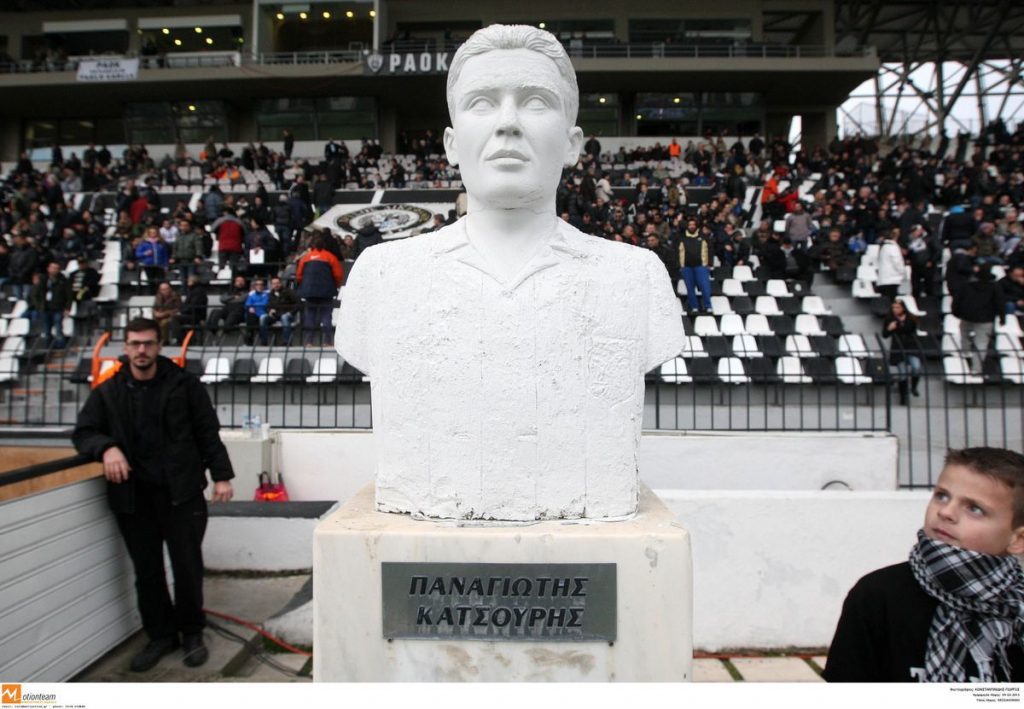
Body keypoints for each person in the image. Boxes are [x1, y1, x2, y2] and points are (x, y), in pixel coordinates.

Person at [336, 24, 683, 521]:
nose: (508, 123)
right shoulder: (382, 276)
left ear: (573, 143)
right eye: (482, 102)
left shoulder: (635, 277)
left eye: (535, 102)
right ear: (451, 144)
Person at [72, 318, 234, 673]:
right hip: (134, 499)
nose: (141, 350)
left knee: (187, 567)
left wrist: (222, 476)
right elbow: (83, 432)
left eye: (147, 343)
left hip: (182, 495)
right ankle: (160, 636)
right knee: (147, 572)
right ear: (125, 348)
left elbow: (208, 432)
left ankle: (192, 632)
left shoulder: (185, 385)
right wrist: (106, 448)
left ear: (159, 346)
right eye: (135, 344)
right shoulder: (108, 392)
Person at [824, 447, 1024, 682]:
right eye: (942, 496)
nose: (946, 512)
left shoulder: (1017, 608)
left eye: (974, 508)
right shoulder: (877, 595)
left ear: (1018, 540)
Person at [953, 265, 1005, 374]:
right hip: (985, 319)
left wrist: (956, 313)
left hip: (967, 316)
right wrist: (1002, 317)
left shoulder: (967, 285)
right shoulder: (994, 287)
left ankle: (965, 354)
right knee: (981, 344)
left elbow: (957, 300)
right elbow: (1000, 302)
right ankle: (976, 369)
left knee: (964, 334)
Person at [296, 234, 343, 346]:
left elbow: (299, 275)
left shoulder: (306, 258)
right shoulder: (330, 257)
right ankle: (327, 341)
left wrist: (304, 286)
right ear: (324, 245)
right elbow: (338, 275)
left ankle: (308, 341)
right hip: (326, 292)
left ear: (312, 245)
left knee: (309, 316)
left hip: (309, 291)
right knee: (326, 316)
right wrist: (334, 286)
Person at [882, 298, 922, 405]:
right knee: (902, 373)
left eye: (898, 307)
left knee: (916, 367)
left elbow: (913, 330)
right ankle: (903, 397)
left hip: (911, 347)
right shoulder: (889, 319)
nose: (895, 309)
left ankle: (914, 386)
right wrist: (890, 328)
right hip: (898, 348)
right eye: (894, 307)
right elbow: (884, 334)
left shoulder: (911, 318)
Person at [30, 261, 73, 349]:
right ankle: (48, 348)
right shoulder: (42, 280)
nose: (54, 270)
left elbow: (69, 296)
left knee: (58, 328)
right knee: (46, 330)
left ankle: (60, 348)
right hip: (45, 308)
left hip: (58, 308)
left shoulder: (63, 281)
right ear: (48, 269)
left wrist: (67, 308)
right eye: (52, 268)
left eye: (56, 268)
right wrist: (38, 306)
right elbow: (34, 294)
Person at [678, 217, 712, 314]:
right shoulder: (682, 238)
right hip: (686, 267)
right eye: (690, 225)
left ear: (696, 226)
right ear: (687, 226)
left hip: (701, 266)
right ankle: (694, 307)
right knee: (690, 288)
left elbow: (710, 250)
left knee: (705, 287)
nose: (692, 226)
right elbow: (677, 252)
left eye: (693, 224)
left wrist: (710, 263)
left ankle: (708, 306)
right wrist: (680, 266)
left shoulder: (704, 237)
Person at [262, 276, 299, 345]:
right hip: (275, 315)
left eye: (277, 283)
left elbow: (298, 303)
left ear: (281, 283)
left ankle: (286, 342)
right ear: (271, 285)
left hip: (287, 314)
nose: (276, 285)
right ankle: (264, 342)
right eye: (274, 283)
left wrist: (291, 313)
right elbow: (267, 305)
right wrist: (269, 310)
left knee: (284, 317)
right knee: (263, 318)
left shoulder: (288, 292)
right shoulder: (270, 294)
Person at [876, 228, 906, 303]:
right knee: (892, 301)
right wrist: (903, 272)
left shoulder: (883, 247)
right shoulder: (892, 247)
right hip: (892, 279)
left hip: (884, 280)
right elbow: (897, 262)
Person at [243, 278, 269, 346]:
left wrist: (253, 306)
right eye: (257, 284)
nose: (259, 286)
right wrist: (250, 308)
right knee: (250, 315)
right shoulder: (252, 295)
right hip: (253, 315)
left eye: (261, 284)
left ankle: (249, 339)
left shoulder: (267, 294)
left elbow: (265, 304)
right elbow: (247, 305)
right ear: (255, 286)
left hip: (263, 314)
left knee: (253, 318)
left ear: (264, 286)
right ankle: (250, 338)